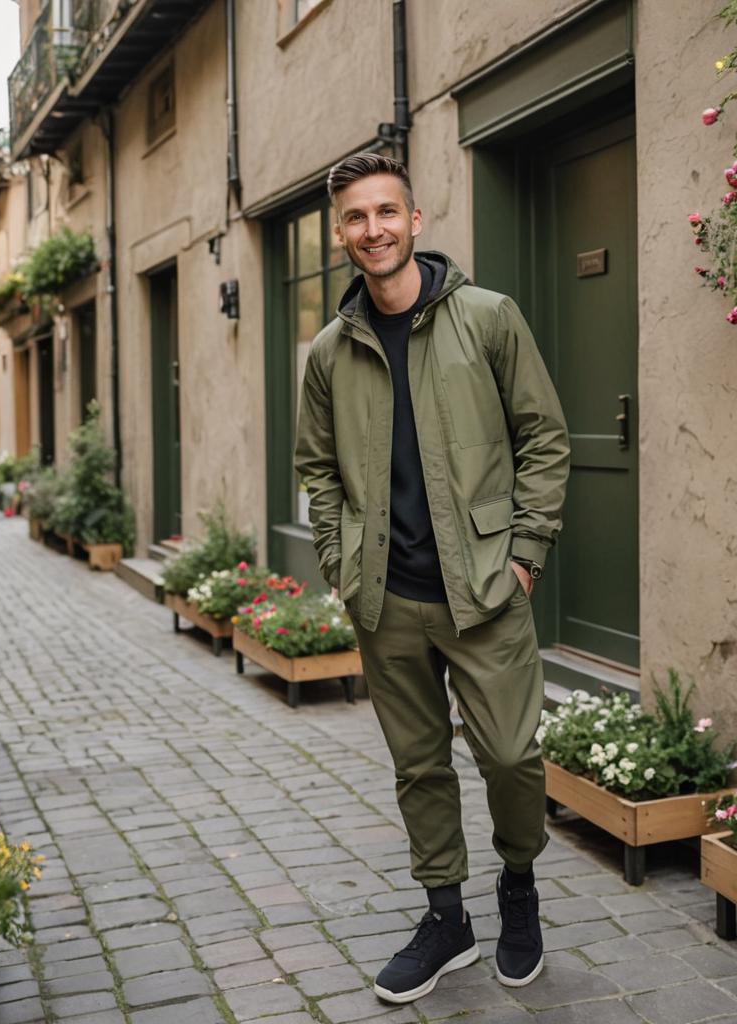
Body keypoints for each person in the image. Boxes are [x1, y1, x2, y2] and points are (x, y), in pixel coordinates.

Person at [294, 152, 569, 1003]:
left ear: (415, 220)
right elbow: (318, 470)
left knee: (513, 756)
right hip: (389, 600)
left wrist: (525, 557)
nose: (371, 229)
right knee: (419, 767)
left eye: (385, 212)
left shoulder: (488, 318)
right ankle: (445, 917)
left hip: (487, 589)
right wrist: (342, 567)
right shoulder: (329, 353)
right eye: (354, 218)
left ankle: (517, 883)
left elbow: (544, 439)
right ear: (341, 234)